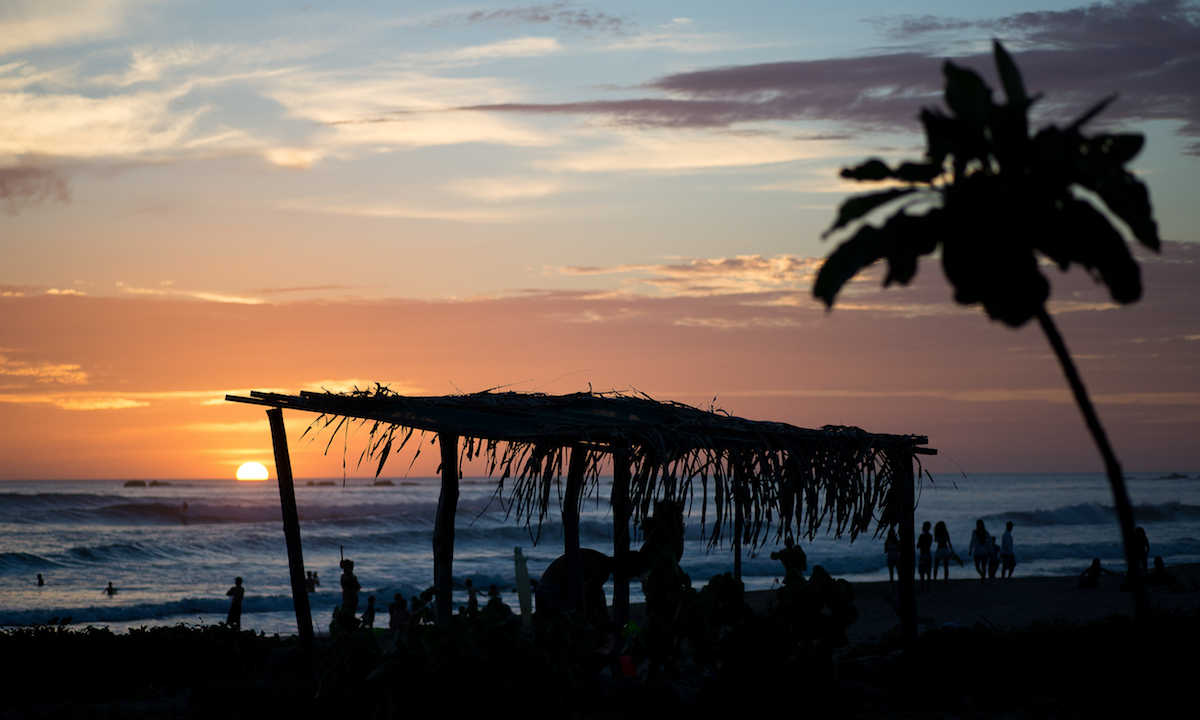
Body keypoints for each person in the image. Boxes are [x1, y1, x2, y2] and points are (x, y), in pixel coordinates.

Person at [917, 522, 933, 590]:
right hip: (928, 554)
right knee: (928, 572)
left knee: (922, 572)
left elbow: (918, 545)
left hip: (923, 554)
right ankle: (928, 586)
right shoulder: (930, 536)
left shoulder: (922, 536)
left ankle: (922, 586)